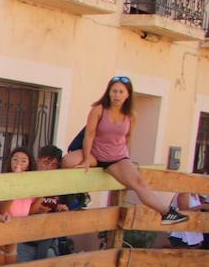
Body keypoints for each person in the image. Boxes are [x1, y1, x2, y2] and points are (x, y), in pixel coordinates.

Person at [65, 76, 187, 225]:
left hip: (117, 158)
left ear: (127, 94)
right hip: (94, 153)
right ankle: (77, 197)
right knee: (67, 161)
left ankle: (167, 213)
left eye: (121, 92)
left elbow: (127, 138)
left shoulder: (131, 115)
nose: (117, 95)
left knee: (138, 183)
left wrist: (126, 160)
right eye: (114, 91)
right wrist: (85, 160)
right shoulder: (98, 109)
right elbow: (89, 134)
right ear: (108, 92)